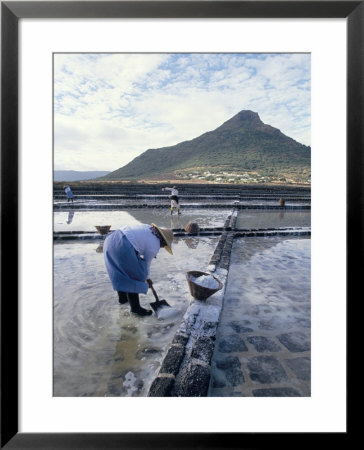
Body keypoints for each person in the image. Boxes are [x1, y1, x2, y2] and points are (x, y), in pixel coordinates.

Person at [103, 223, 174, 316]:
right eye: (164, 245)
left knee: (119, 272)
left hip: (111, 240)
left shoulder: (148, 229)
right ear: (163, 241)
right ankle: (136, 309)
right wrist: (147, 278)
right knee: (135, 274)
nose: (162, 247)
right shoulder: (155, 244)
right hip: (123, 245)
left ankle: (123, 299)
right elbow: (146, 264)